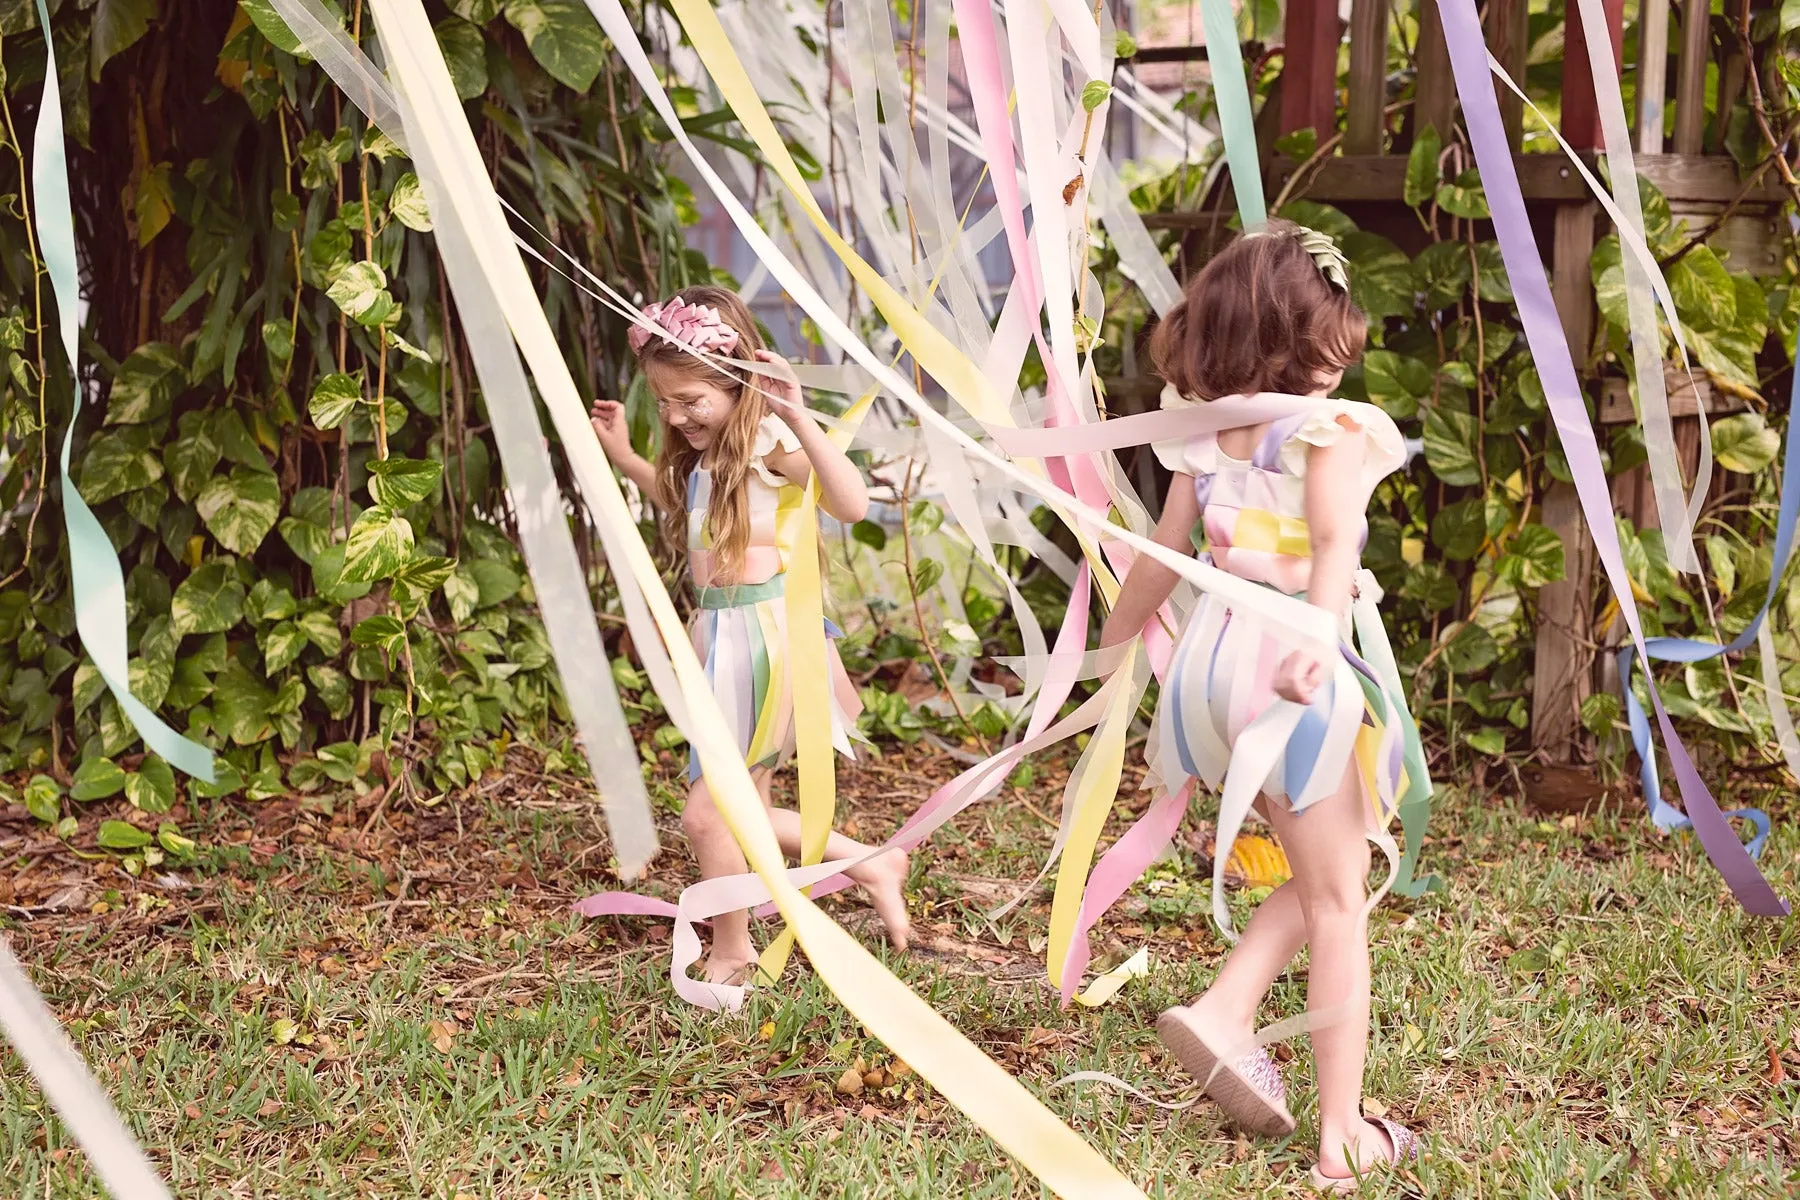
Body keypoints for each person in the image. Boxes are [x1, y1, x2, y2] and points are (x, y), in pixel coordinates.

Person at [1098, 222, 1424, 1191]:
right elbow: (1332, 548)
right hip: (1291, 659)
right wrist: (1321, 649)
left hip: (1219, 667)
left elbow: (1164, 551)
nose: (1332, 370)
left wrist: (1109, 645)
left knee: (1344, 858)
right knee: (1339, 905)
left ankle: (1230, 1006)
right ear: (1280, 341)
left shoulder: (1203, 429)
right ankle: (1340, 1136)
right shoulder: (1328, 432)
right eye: (1320, 349)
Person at [589, 286, 910, 983]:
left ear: (737, 383)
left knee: (711, 816)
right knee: (748, 807)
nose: (674, 416)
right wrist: (624, 456)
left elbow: (851, 504)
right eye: (665, 402)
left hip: (767, 642)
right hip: (721, 640)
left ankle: (733, 950)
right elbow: (682, 503)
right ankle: (872, 863)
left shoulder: (768, 441)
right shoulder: (705, 457)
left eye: (691, 402)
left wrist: (797, 418)